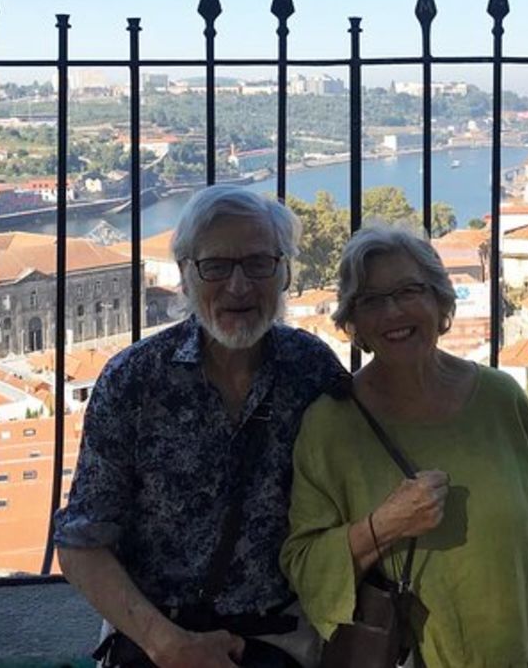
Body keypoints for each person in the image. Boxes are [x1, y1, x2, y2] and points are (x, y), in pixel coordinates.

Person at [281, 226, 528, 667]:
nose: (393, 311)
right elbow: (304, 564)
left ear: (440, 301)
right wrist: (385, 525)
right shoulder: (331, 424)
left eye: (409, 291)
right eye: (372, 300)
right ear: (353, 323)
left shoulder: (501, 400)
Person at [55, 185, 348, 668]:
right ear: (185, 274)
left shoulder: (312, 371)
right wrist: (168, 644)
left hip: (277, 644)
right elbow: (81, 543)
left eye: (258, 263)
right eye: (216, 265)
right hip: (155, 642)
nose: (239, 286)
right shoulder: (135, 381)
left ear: (284, 273)